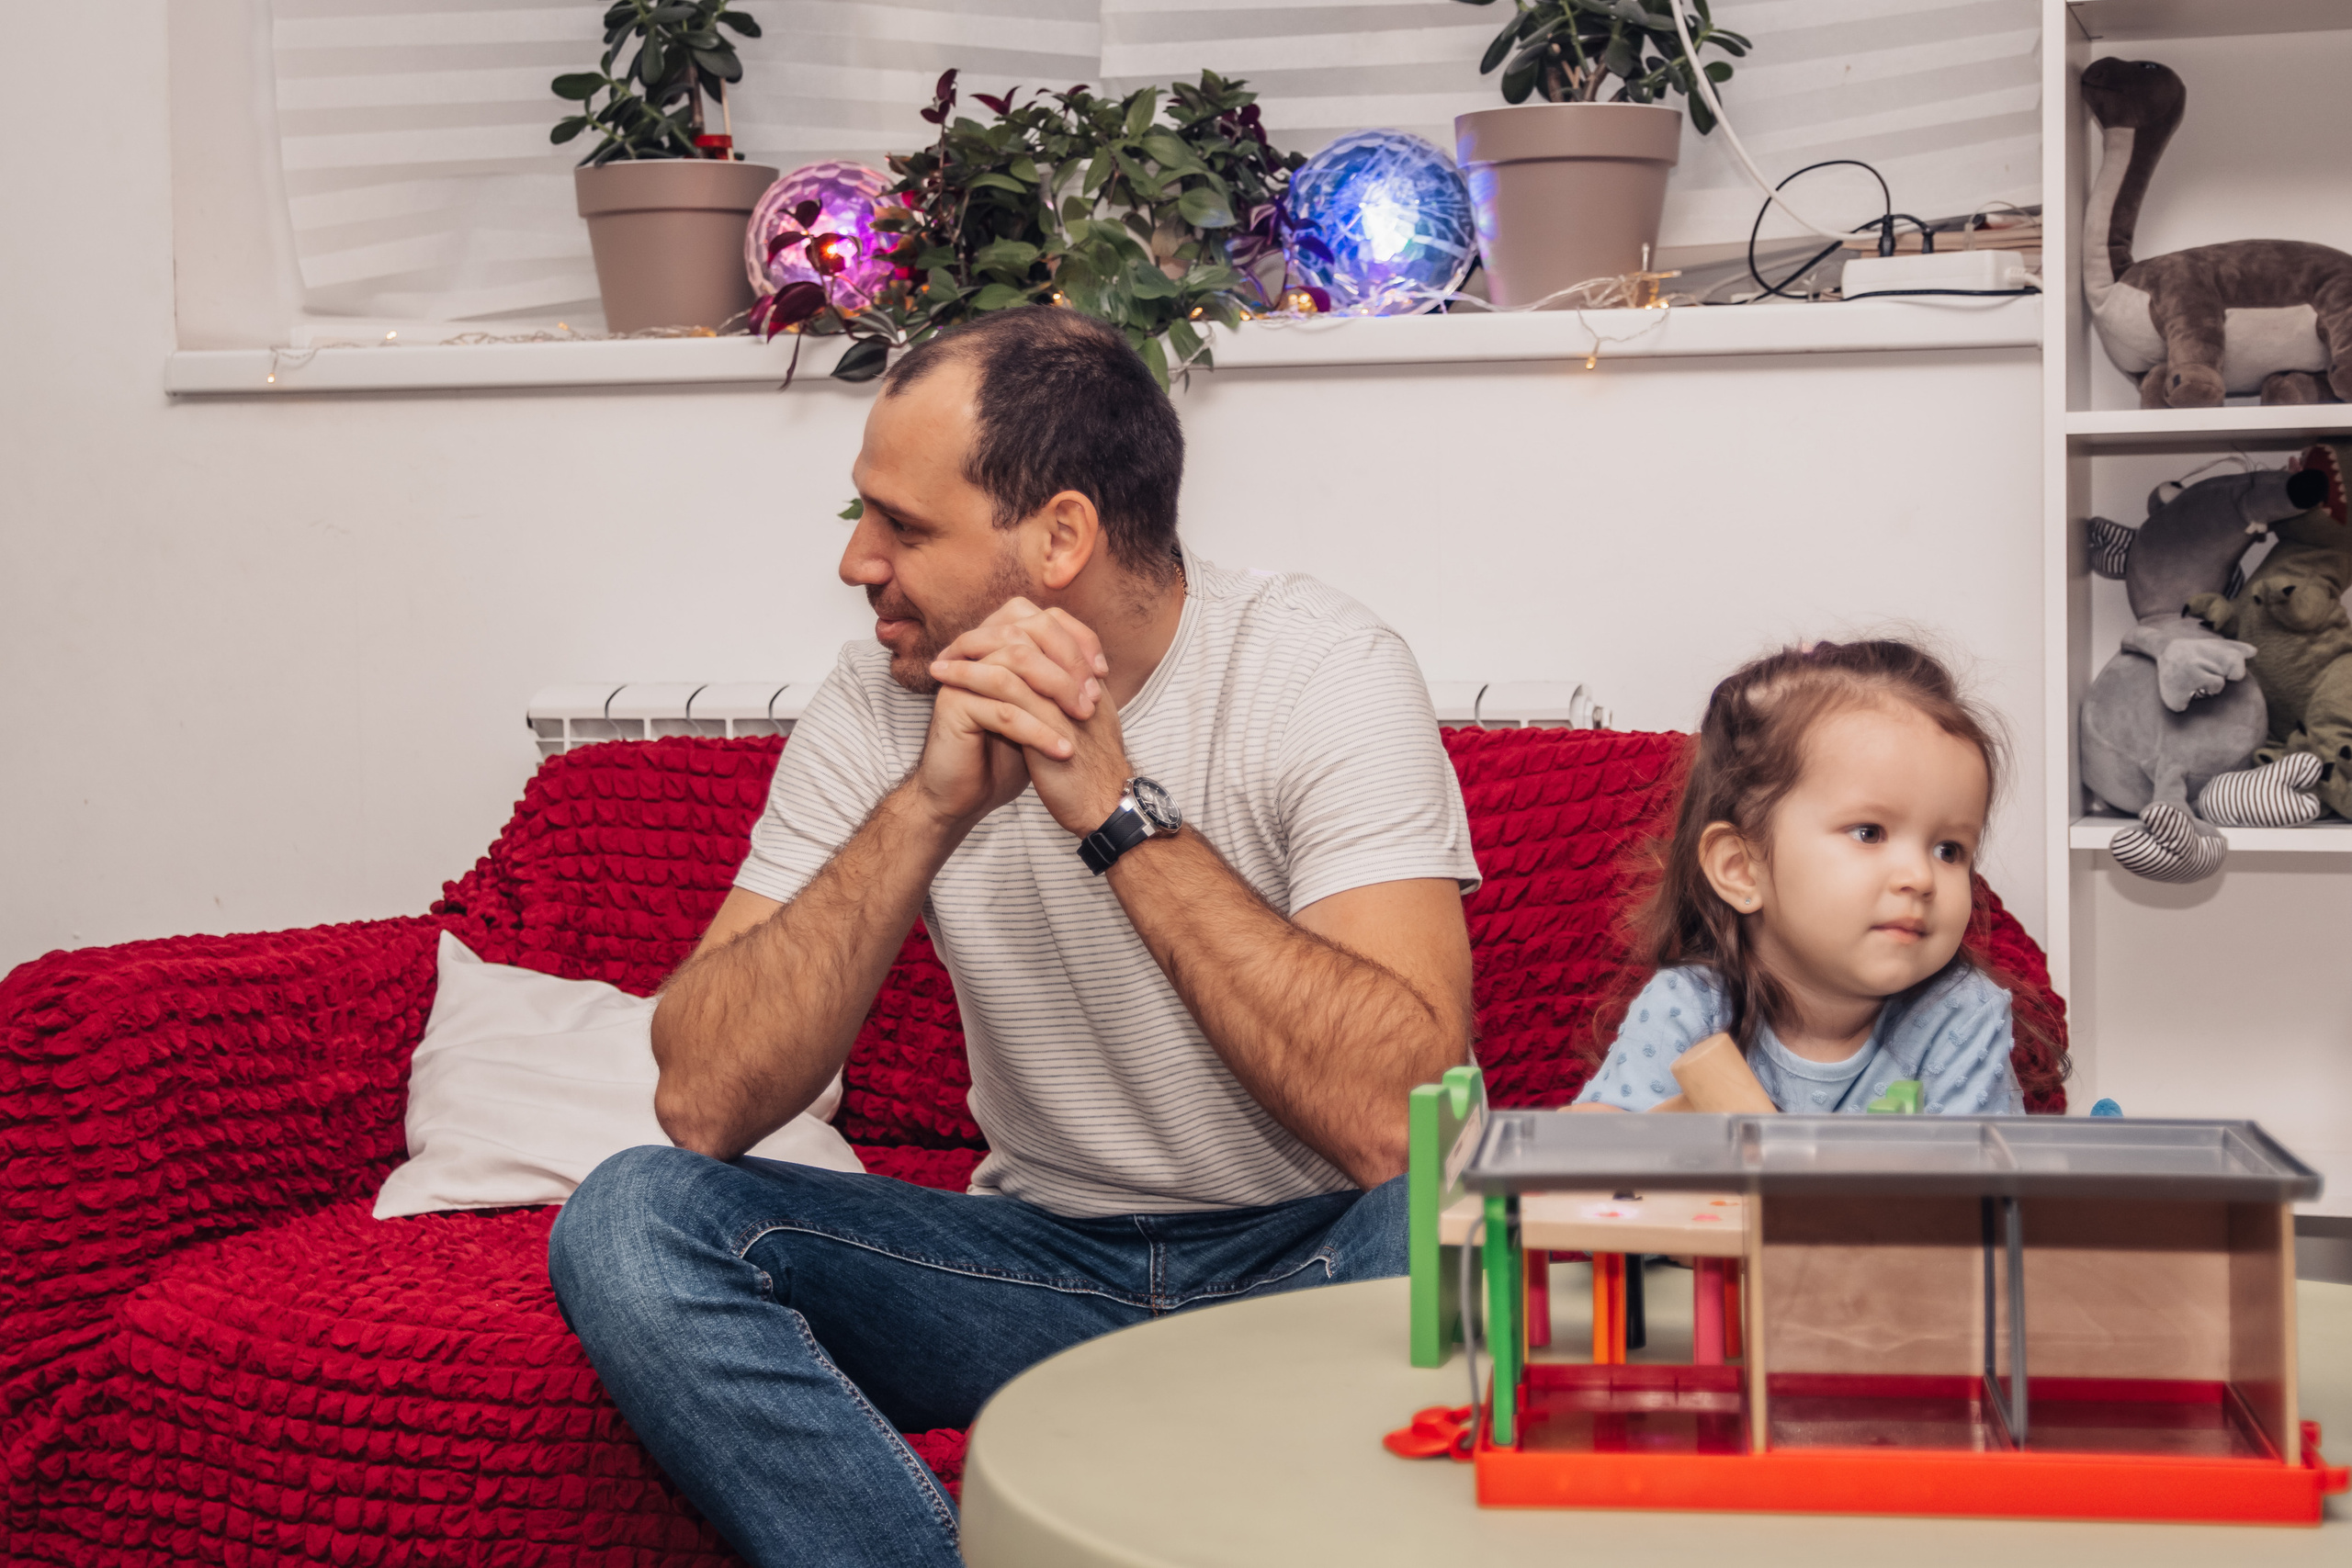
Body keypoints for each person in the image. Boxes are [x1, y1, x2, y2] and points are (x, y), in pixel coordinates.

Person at [546, 305, 1480, 1568]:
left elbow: (1400, 1112)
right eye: (860, 517)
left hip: (1313, 1256)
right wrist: (925, 810)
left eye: (905, 526)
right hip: (1040, 1270)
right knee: (630, 1219)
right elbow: (701, 1099)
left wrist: (1112, 806)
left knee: (1444, 1209)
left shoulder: (1320, 668)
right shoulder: (884, 703)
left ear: (1061, 536)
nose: (858, 563)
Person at [1575, 639, 2050, 1116]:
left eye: (1949, 850)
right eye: (1869, 832)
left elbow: (1978, 1189)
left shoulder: (1962, 1017)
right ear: (1740, 870)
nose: (1920, 877)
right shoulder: (1688, 1010)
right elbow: (1589, 1157)